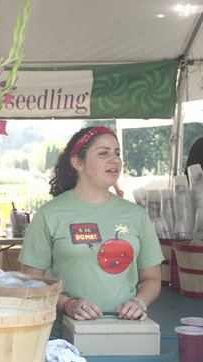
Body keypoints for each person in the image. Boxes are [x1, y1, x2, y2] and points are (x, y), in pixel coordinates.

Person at [18, 126, 163, 336]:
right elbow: (29, 281)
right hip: (66, 335)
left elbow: (152, 279)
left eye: (117, 153)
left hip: (127, 333)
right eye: (103, 153)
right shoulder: (50, 214)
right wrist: (68, 304)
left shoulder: (136, 215)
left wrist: (138, 302)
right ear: (78, 163)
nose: (114, 159)